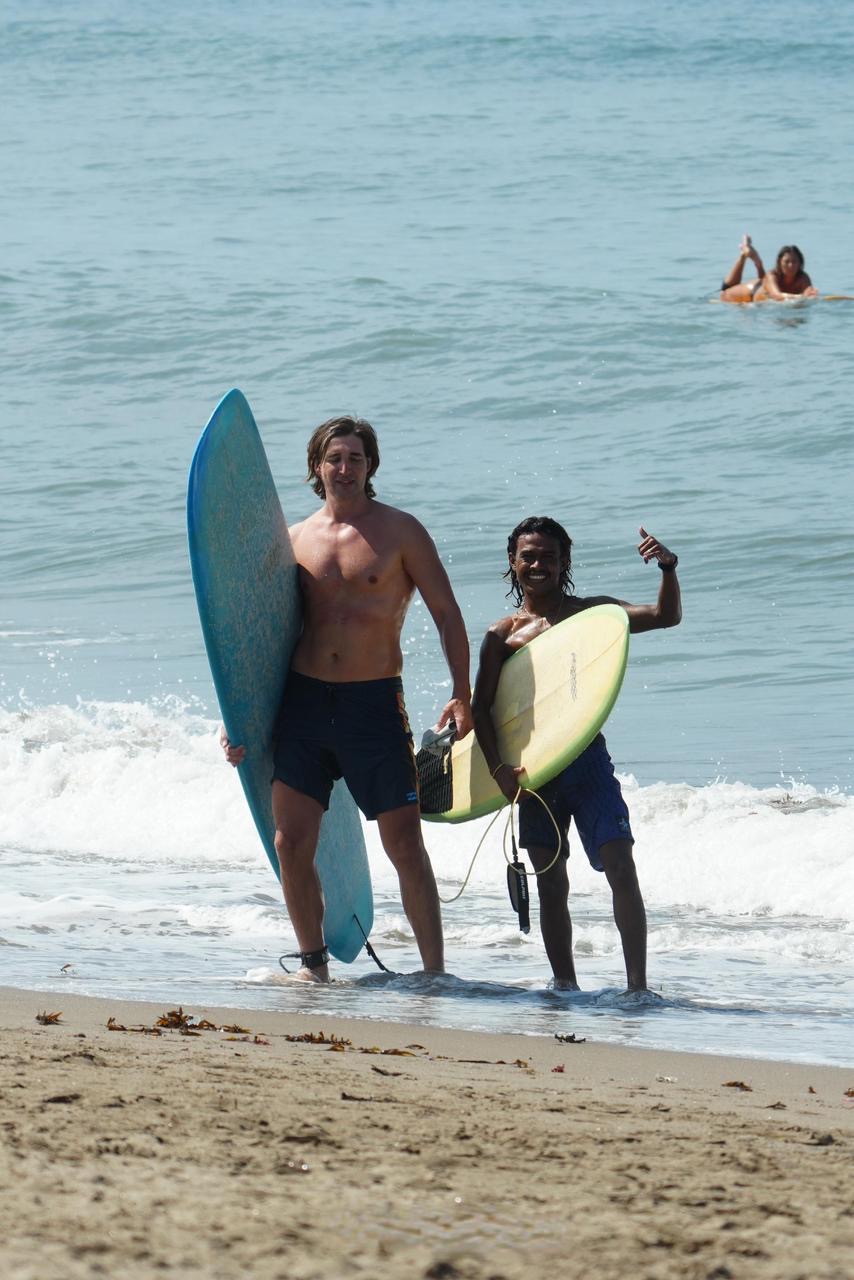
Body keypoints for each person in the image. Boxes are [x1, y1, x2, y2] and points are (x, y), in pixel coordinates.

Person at [222, 416, 472, 982]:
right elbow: (255, 636)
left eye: (356, 458)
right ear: (317, 466)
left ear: (371, 466)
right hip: (305, 704)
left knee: (404, 843)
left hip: (373, 706)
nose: (345, 468)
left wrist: (462, 692)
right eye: (335, 458)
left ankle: (434, 974)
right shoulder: (294, 540)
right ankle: (313, 966)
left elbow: (446, 613)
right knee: (290, 842)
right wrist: (233, 717)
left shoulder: (401, 532)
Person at [471, 517, 682, 994]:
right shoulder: (502, 636)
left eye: (548, 556)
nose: (538, 564)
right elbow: (481, 708)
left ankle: (638, 988)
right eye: (529, 556)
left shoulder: (594, 616)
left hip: (587, 762)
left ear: (564, 562)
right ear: (513, 563)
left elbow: (665, 617)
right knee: (551, 885)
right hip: (535, 771)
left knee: (621, 868)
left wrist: (667, 569)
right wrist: (498, 769)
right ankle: (564, 986)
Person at [719, 234, 818, 303]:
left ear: (800, 263)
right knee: (726, 288)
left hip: (760, 288)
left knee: (763, 280)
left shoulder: (803, 277)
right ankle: (745, 254)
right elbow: (776, 295)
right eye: (786, 262)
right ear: (779, 263)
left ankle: (757, 261)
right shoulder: (772, 275)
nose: (791, 266)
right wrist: (801, 297)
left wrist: (810, 293)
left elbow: (807, 292)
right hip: (729, 295)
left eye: (794, 262)